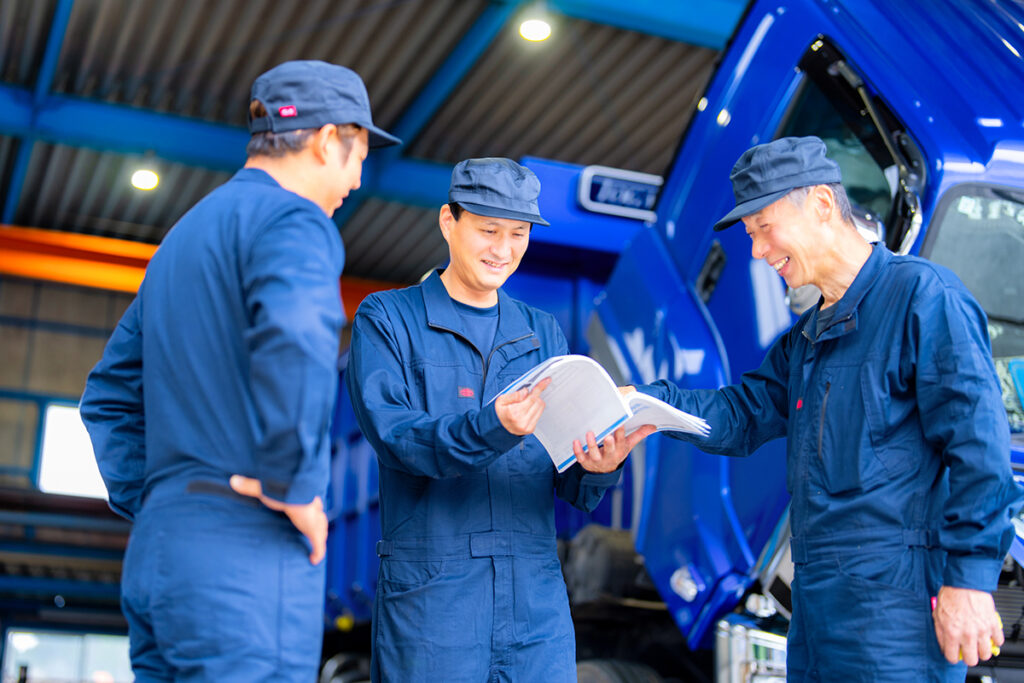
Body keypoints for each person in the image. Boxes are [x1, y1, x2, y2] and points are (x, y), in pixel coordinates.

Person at [633, 135, 1022, 681]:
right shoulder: (807, 337)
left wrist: (969, 583)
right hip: (816, 615)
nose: (758, 250)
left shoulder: (923, 300)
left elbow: (979, 451)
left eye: (764, 228)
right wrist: (648, 406)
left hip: (894, 616)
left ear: (820, 203)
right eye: (750, 235)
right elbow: (740, 413)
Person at [79, 60, 399, 682]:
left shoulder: (182, 239)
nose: (358, 180)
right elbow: (299, 338)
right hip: (243, 553)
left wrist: (157, 498)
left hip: (160, 553)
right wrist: (294, 486)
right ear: (330, 139)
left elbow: (110, 393)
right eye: (360, 154)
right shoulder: (294, 220)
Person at [345, 157, 655, 682]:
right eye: (488, 230)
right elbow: (397, 438)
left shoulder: (540, 333)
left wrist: (600, 465)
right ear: (449, 222)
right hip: (435, 604)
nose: (503, 249)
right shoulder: (388, 319)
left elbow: (567, 476)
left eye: (518, 233)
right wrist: (493, 427)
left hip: (535, 605)